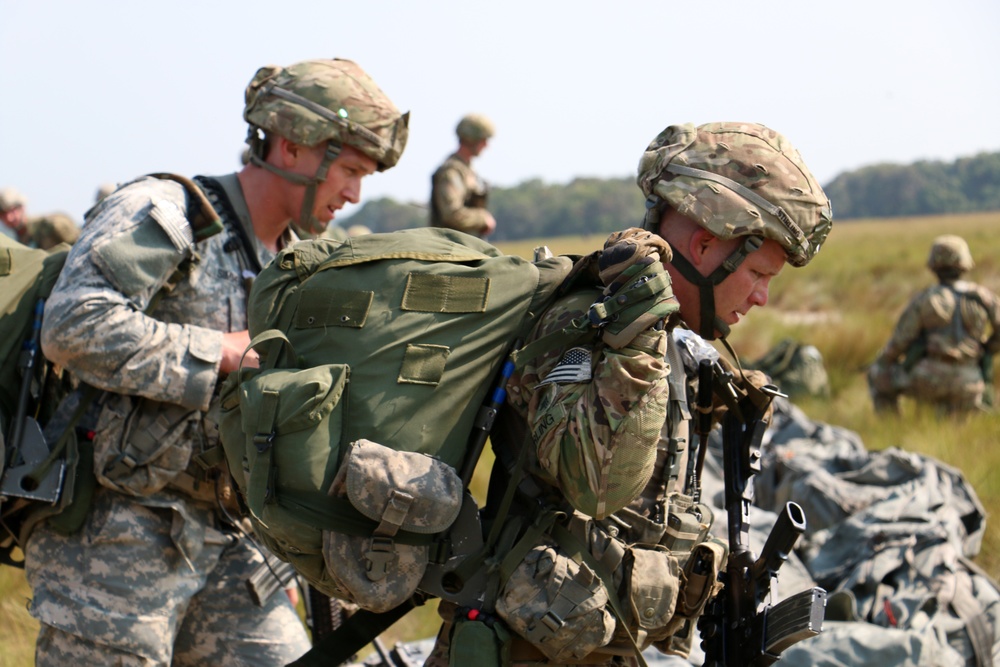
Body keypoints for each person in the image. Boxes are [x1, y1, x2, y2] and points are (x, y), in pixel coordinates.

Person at [29, 58, 408, 666]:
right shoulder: (170, 214)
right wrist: (218, 352)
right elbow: (73, 327)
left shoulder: (298, 261)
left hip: (230, 539)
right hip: (117, 536)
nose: (355, 194)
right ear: (290, 146)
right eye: (349, 170)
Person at [426, 121, 833, 666]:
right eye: (759, 273)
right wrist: (638, 333)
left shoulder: (671, 343)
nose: (761, 296)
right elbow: (597, 485)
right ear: (706, 244)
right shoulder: (587, 325)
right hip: (515, 649)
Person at [868, 234, 1000, 414]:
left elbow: (899, 342)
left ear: (933, 265)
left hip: (929, 380)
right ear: (965, 263)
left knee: (877, 376)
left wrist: (882, 362)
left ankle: (892, 432)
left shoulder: (925, 299)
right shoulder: (984, 298)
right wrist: (986, 348)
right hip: (971, 381)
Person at [429, 113, 497, 238]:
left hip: (465, 248)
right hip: (451, 250)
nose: (486, 145)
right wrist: (482, 219)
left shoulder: (467, 170)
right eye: (484, 140)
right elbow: (452, 214)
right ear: (472, 140)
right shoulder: (451, 172)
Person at [0, 187, 79, 249]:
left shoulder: (52, 225)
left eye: (12, 210)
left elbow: (80, 246)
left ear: (22, 207)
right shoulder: (17, 241)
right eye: (3, 214)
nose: (9, 218)